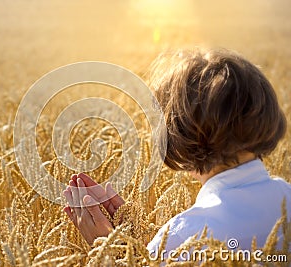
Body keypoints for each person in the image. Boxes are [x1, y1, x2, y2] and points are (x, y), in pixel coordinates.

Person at [62, 49, 290, 258]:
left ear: (176, 137)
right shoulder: (287, 197)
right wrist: (135, 242)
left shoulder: (183, 237)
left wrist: (110, 251)